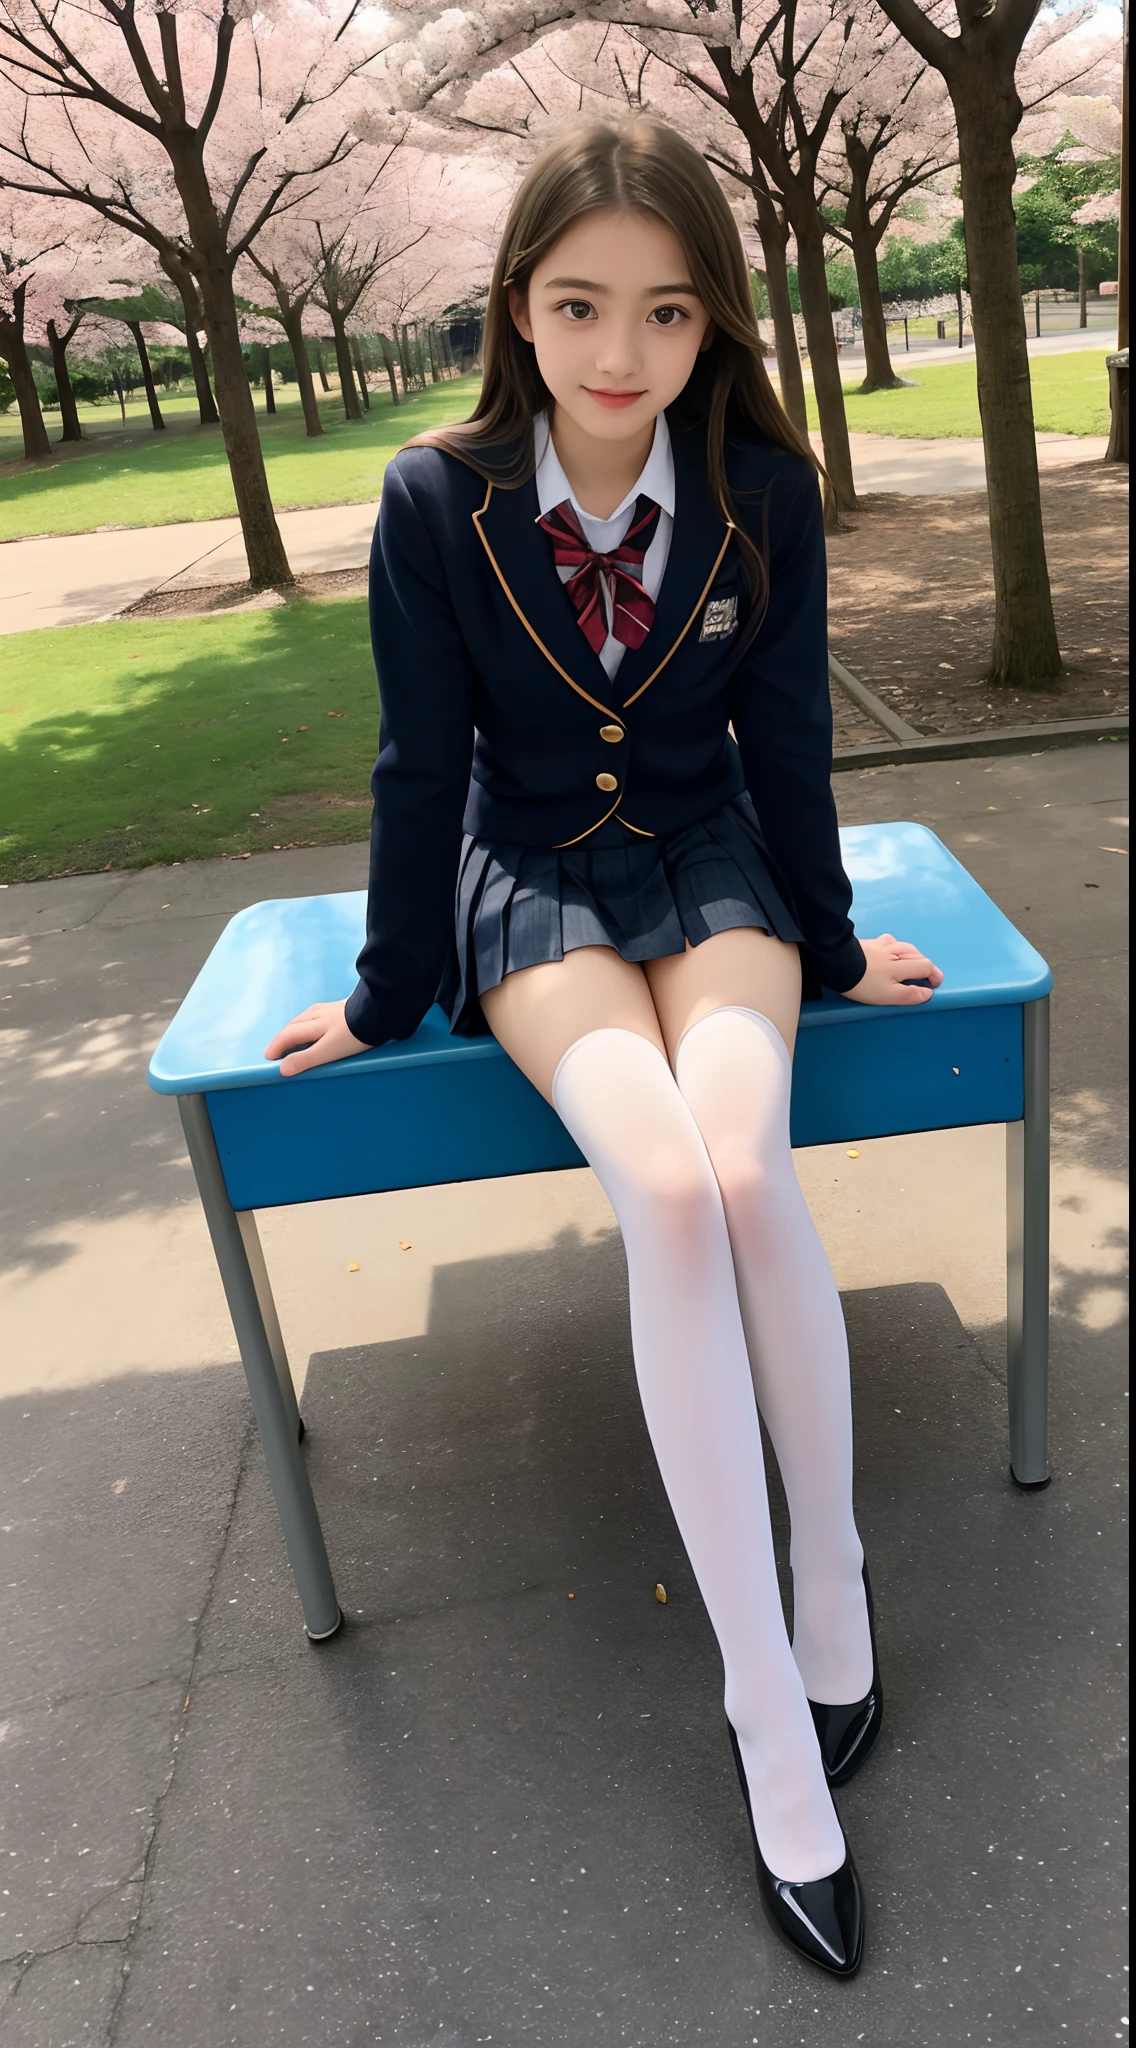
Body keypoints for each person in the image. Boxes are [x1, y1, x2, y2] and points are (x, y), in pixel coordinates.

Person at [265, 116, 943, 1977]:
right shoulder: (437, 496)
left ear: (716, 318)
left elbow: (789, 739)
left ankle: (833, 1570)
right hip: (529, 881)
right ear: (520, 309)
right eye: (580, 306)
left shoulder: (757, 489)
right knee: (658, 1183)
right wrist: (393, 988)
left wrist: (821, 936)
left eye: (664, 309)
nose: (620, 352)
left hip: (713, 858)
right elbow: (418, 764)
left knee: (742, 1164)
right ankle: (758, 1707)